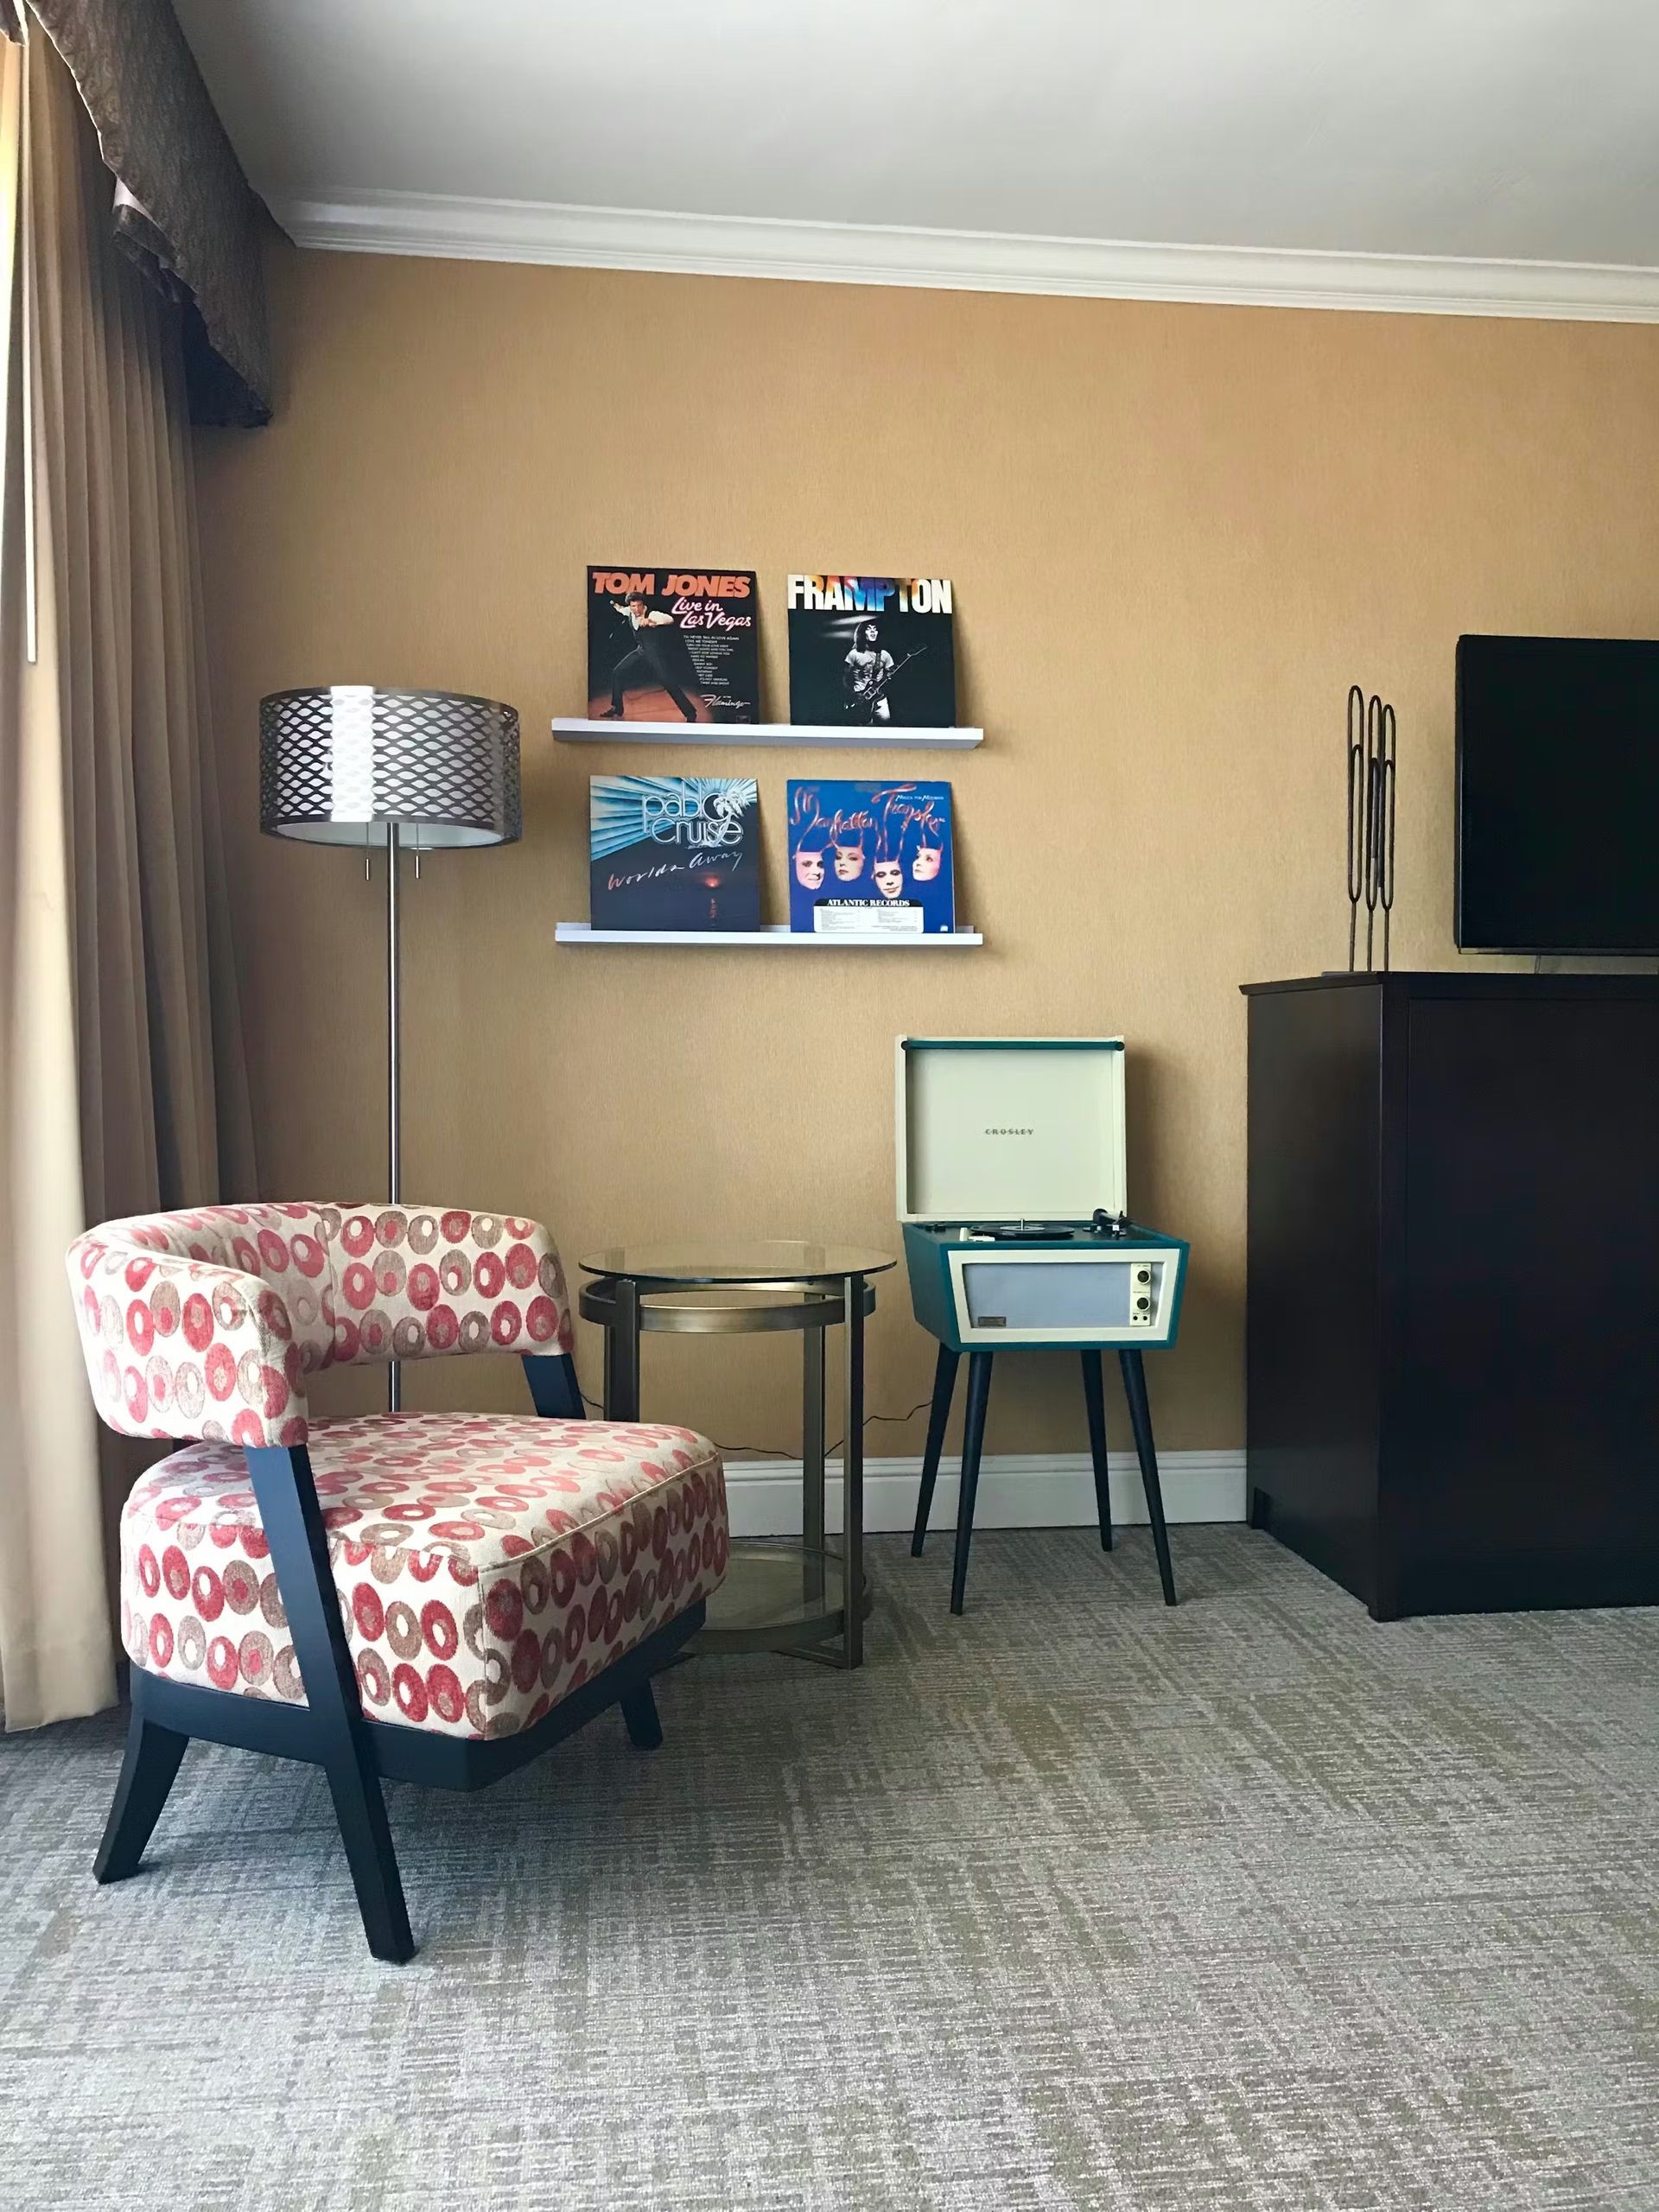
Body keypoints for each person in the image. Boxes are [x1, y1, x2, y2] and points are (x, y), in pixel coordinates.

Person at [603, 594, 699, 721]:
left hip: (655, 654)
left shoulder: (653, 614)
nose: (637, 609)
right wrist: (615, 605)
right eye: (633, 606)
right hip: (641, 651)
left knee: (667, 681)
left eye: (639, 605)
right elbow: (622, 610)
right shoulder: (629, 612)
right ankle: (617, 708)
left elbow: (669, 619)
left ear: (643, 604)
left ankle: (691, 713)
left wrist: (650, 621)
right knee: (617, 672)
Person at [842, 620, 895, 723]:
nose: (872, 632)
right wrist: (852, 695)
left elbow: (890, 674)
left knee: (886, 729)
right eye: (869, 629)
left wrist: (889, 677)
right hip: (859, 699)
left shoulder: (884, 654)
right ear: (862, 633)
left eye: (875, 629)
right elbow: (844, 677)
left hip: (880, 699)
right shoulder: (854, 654)